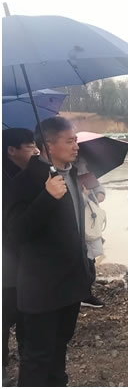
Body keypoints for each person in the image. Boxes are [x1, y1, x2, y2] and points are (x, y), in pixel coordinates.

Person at [6, 117, 95, 386]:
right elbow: (15, 234)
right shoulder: (24, 181)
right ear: (48, 145)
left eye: (76, 140)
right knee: (37, 358)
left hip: (71, 284)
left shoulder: (71, 173)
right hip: (42, 288)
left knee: (59, 350)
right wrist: (46, 197)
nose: (76, 146)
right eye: (70, 141)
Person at [2, 128, 39, 386]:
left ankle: (28, 362)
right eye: (29, 146)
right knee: (4, 314)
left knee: (28, 312)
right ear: (11, 151)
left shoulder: (31, 175)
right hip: (7, 260)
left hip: (28, 259)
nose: (36, 151)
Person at [75, 157, 107, 308]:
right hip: (76, 221)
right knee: (82, 257)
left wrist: (99, 192)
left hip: (89, 218)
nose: (75, 147)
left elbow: (96, 184)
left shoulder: (83, 163)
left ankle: (85, 291)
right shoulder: (58, 171)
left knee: (90, 256)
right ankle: (83, 294)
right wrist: (83, 196)